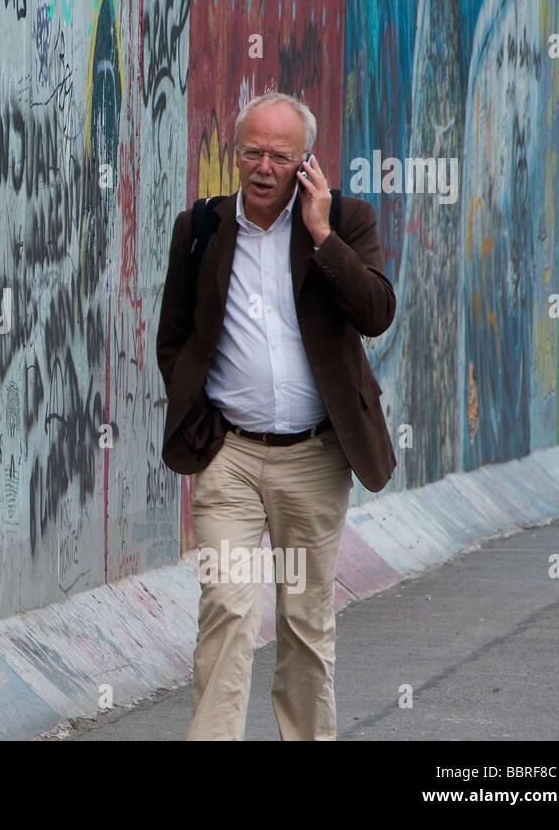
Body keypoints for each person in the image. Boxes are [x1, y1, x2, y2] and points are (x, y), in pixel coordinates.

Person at [155, 91, 397, 740]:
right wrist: (201, 421)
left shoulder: (346, 219)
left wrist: (321, 235)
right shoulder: (201, 227)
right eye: (253, 152)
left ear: (304, 162)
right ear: (237, 154)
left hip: (315, 459)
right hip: (229, 457)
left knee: (304, 621)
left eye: (280, 156)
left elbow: (376, 311)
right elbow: (173, 338)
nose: (264, 167)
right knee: (228, 608)